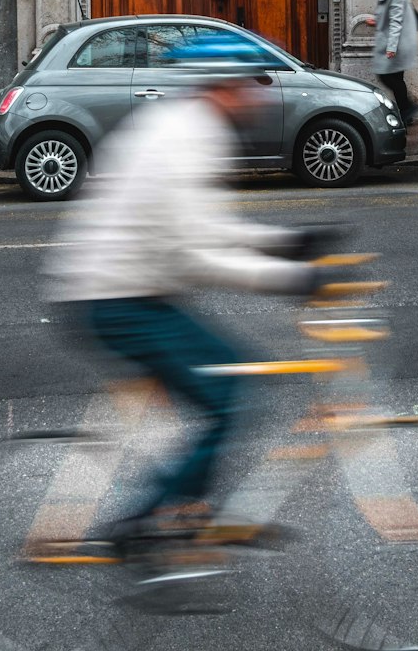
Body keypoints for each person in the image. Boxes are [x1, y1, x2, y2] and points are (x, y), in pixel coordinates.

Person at [47, 34, 329, 550]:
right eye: (251, 85)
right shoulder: (187, 138)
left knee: (218, 389)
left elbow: (206, 228)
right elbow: (194, 256)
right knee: (226, 398)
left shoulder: (189, 126)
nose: (260, 96)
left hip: (129, 289)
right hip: (116, 298)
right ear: (222, 87)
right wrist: (292, 278)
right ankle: (145, 524)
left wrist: (288, 242)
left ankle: (181, 509)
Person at [367, 0, 418, 126]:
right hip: (397, 43)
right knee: (396, 78)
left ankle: (408, 108)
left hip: (397, 44)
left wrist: (391, 48)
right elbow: (391, 18)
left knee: (387, 77)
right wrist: (377, 21)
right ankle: (406, 111)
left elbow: (396, 23)